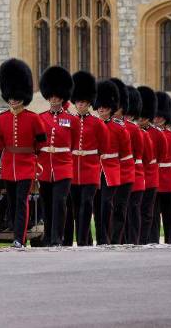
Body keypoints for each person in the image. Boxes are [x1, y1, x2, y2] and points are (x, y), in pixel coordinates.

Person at [0, 58, 45, 248]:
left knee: (21, 202)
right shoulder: (1, 118)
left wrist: (37, 162)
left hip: (26, 165)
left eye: (15, 95)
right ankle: (16, 233)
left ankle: (19, 238)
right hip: (9, 166)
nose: (12, 99)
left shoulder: (33, 119)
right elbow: (0, 146)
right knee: (11, 203)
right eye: (10, 95)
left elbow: (41, 143)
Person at [36, 66, 78, 247]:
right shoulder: (41, 118)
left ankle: (57, 238)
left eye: (57, 96)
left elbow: (75, 143)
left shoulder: (72, 119)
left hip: (63, 166)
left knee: (60, 202)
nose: (54, 99)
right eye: (51, 96)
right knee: (47, 203)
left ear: (62, 97)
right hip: (45, 166)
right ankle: (47, 237)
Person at [66, 71, 106, 247]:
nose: (80, 105)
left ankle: (82, 240)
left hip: (90, 169)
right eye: (78, 102)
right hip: (74, 168)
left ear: (89, 103)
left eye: (83, 102)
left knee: (87, 204)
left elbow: (103, 146)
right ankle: (85, 239)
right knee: (76, 207)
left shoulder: (97, 123)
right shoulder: (71, 121)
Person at [92, 79, 121, 245]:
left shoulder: (118, 128)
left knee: (106, 205)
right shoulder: (93, 124)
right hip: (95, 169)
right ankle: (100, 238)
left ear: (111, 109)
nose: (101, 109)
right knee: (96, 206)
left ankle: (106, 238)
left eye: (105, 107)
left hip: (110, 170)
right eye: (99, 106)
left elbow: (124, 153)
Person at [108, 78, 133, 245]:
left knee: (120, 209)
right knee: (108, 209)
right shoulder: (104, 125)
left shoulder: (131, 129)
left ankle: (118, 240)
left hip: (124, 172)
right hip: (109, 173)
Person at [153, 91, 171, 244]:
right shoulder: (148, 133)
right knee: (154, 214)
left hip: (168, 178)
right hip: (154, 177)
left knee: (169, 215)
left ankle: (170, 240)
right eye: (155, 116)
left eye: (160, 117)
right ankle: (154, 240)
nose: (157, 119)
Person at [136, 86, 158, 245]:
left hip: (149, 176)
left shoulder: (157, 134)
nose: (140, 121)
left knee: (147, 212)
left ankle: (146, 239)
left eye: (143, 118)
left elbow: (158, 156)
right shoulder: (133, 130)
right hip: (136, 175)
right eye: (139, 118)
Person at [124, 86, 145, 245]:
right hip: (119, 174)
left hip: (135, 173)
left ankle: (134, 240)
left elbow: (141, 154)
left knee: (134, 209)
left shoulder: (134, 129)